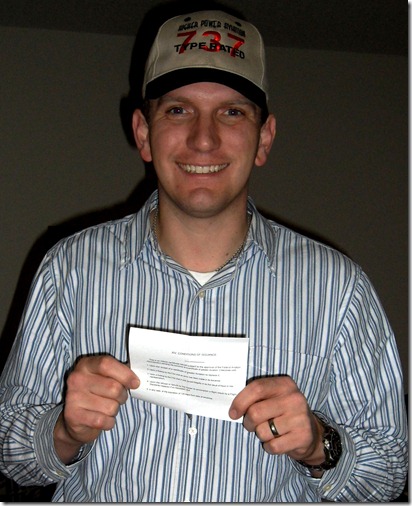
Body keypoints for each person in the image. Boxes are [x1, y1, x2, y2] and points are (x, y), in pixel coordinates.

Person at [0, 8, 407, 502]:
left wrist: (320, 445)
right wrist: (64, 431)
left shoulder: (339, 289)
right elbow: (8, 451)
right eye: (178, 110)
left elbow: (389, 474)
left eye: (232, 112)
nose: (204, 138)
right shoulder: (68, 270)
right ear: (143, 133)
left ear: (264, 138)